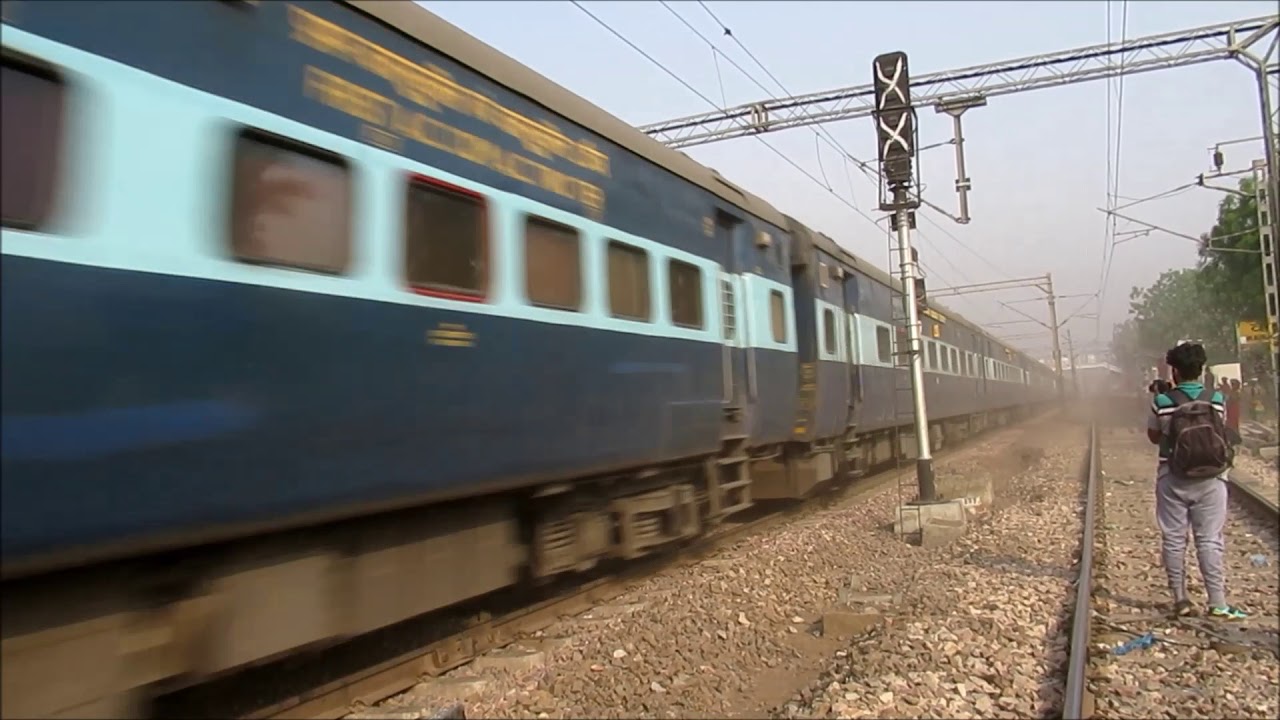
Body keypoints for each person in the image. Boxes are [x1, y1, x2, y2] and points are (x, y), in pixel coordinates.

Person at [1145, 342, 1247, 619]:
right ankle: (1218, 603)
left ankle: (1181, 600)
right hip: (1212, 479)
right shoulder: (1216, 399)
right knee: (1210, 540)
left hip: (1172, 477)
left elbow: (1153, 437)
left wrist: (1162, 399)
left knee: (1174, 539)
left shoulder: (1162, 402)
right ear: (1201, 370)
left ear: (1174, 371)